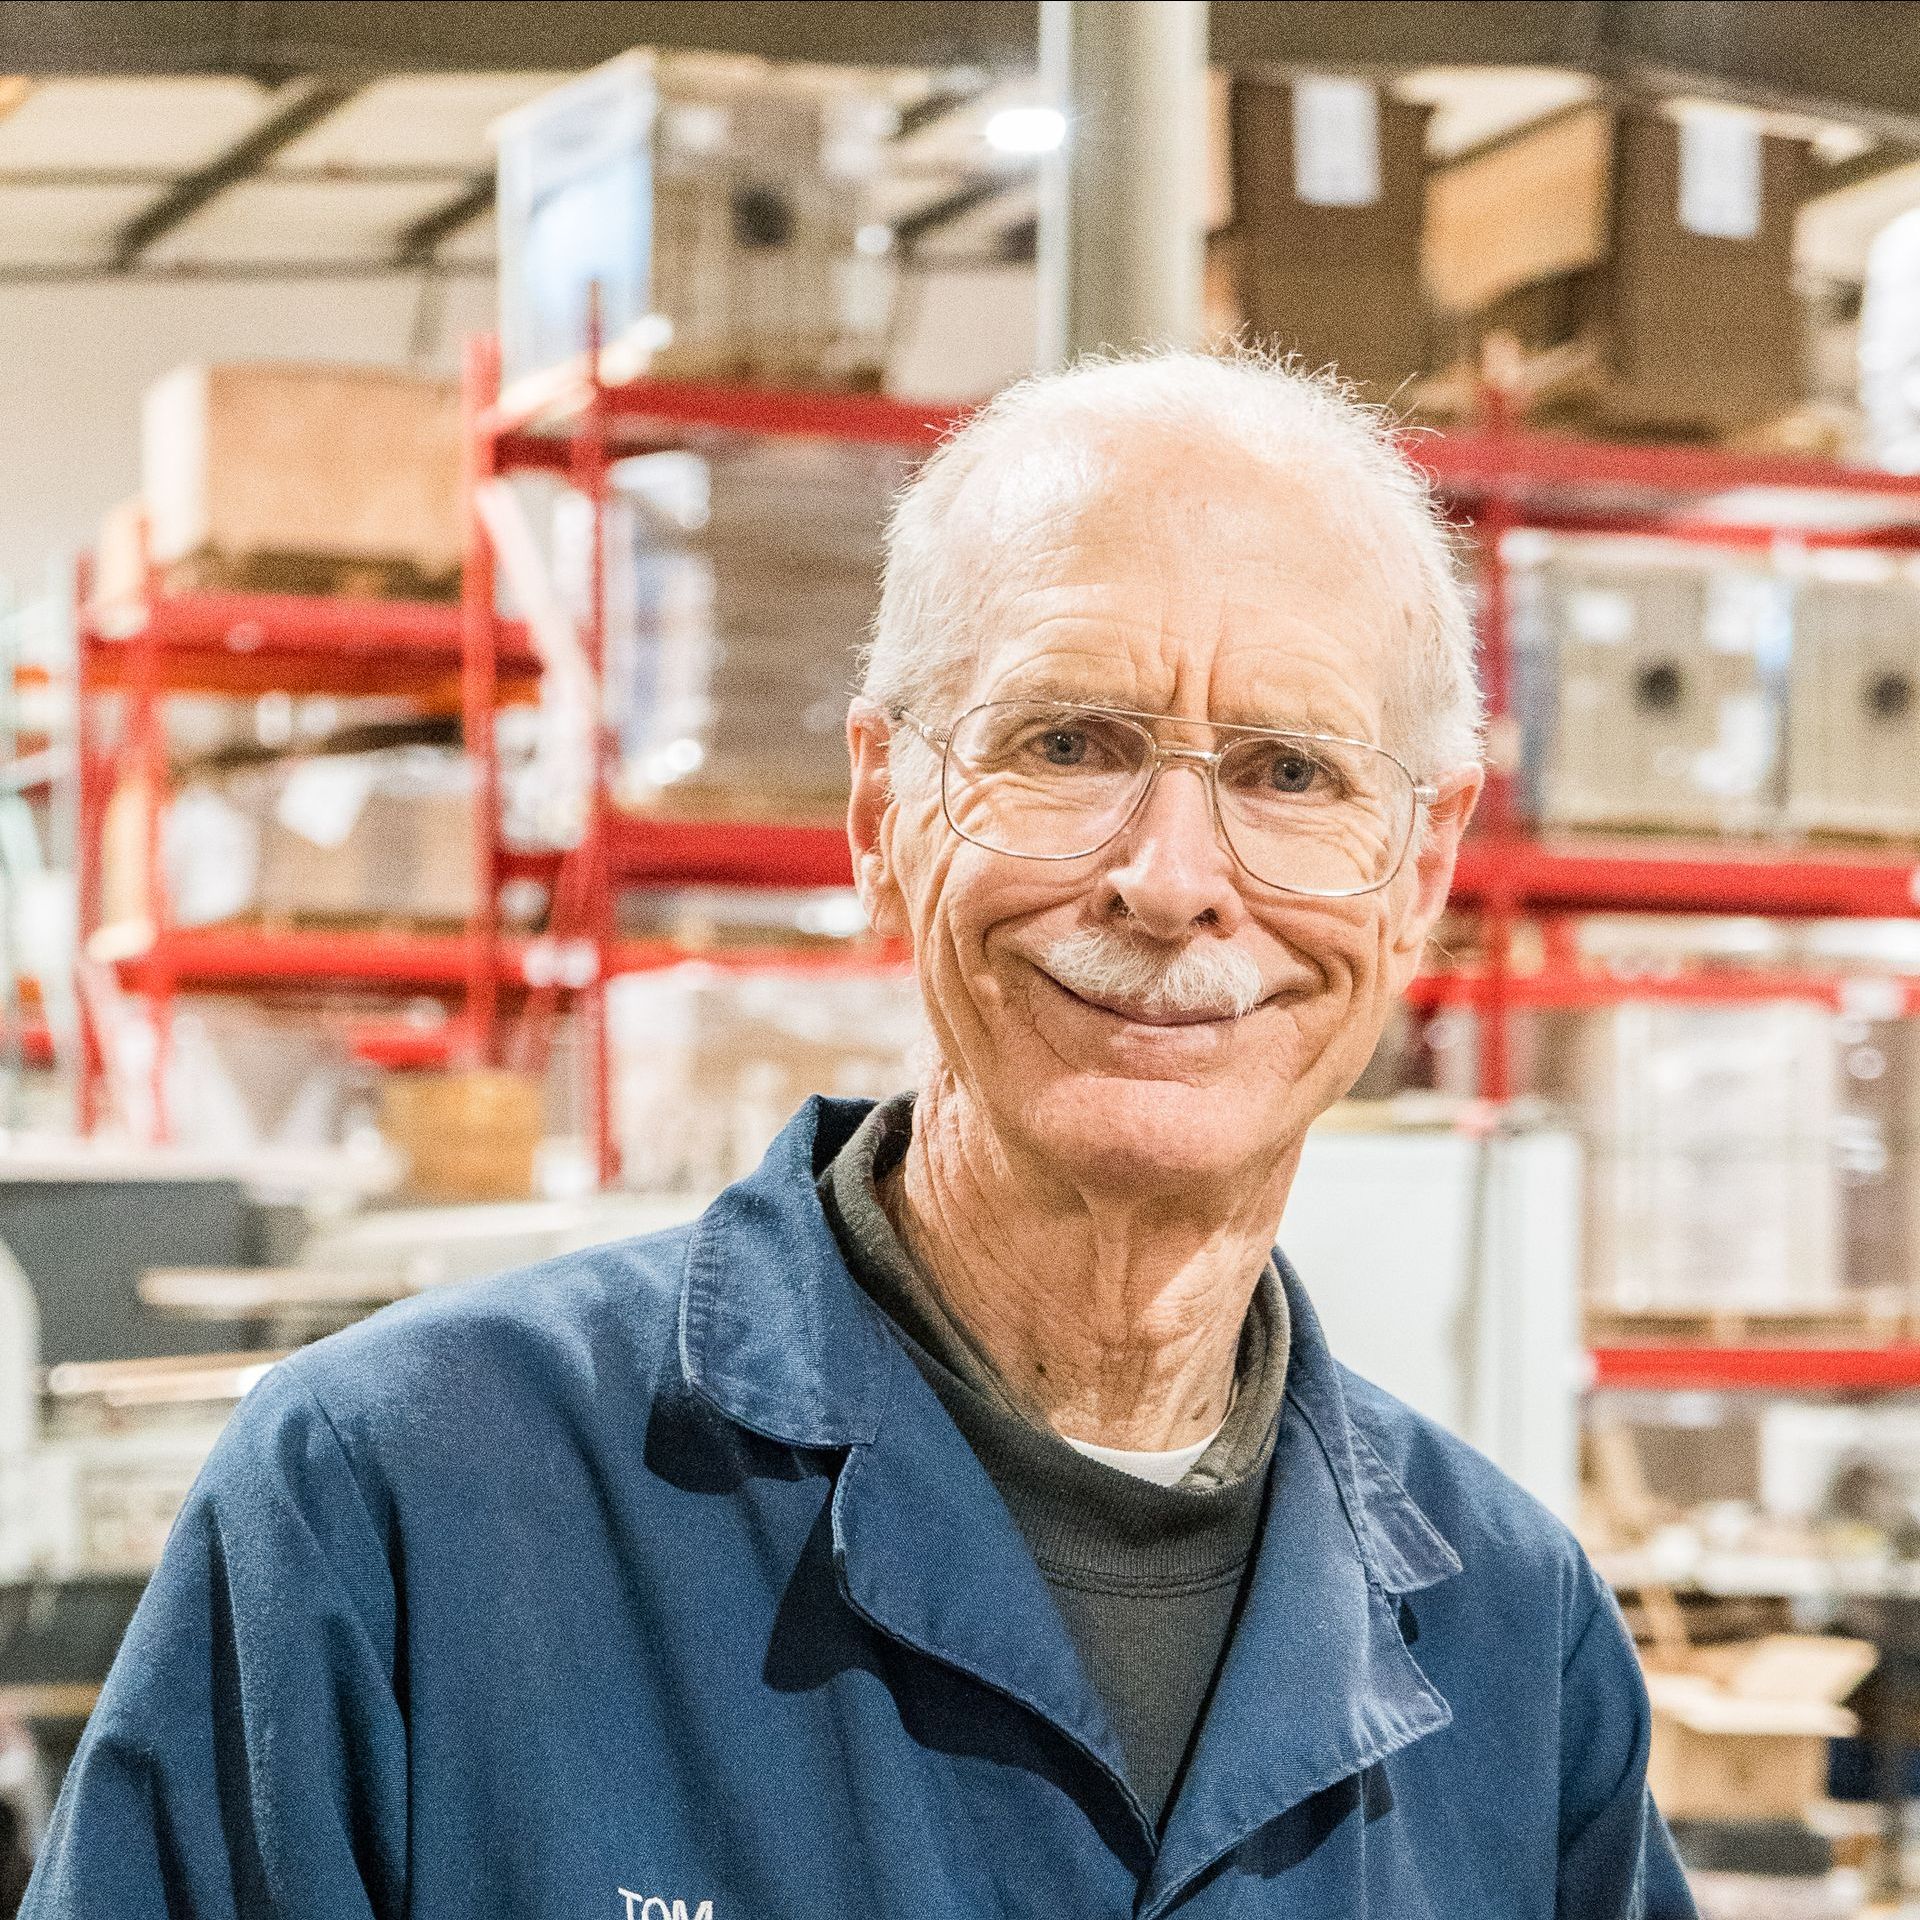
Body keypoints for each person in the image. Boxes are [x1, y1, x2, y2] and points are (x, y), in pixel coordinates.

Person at [22, 352, 1695, 1918]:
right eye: (1067, 743)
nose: (1176, 877)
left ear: (1419, 872)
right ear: (882, 813)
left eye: (1291, 771)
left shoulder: (1511, 1641)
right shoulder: (404, 1511)